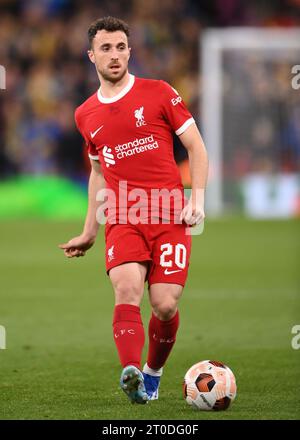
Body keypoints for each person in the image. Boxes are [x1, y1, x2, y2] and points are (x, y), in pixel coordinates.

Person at [59, 16, 208, 405]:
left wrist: (198, 200)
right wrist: (90, 230)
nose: (114, 55)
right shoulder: (85, 114)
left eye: (121, 47)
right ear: (91, 55)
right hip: (124, 217)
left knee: (164, 304)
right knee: (126, 290)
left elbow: (196, 147)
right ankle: (130, 371)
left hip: (169, 216)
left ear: (130, 51)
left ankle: (152, 374)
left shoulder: (159, 93)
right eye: (105, 48)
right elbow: (96, 173)